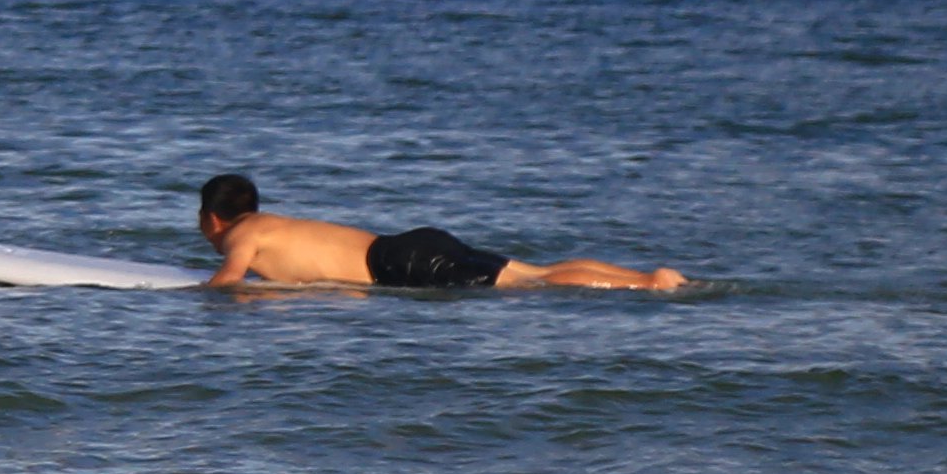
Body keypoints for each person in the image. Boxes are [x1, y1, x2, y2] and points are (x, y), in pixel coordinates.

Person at [195, 170, 681, 293]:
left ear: (212, 219)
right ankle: (651, 275)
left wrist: (190, 296)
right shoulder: (272, 223)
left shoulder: (240, 235)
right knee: (538, 271)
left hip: (398, 264)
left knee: (530, 286)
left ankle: (643, 285)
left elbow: (231, 281)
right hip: (409, 244)